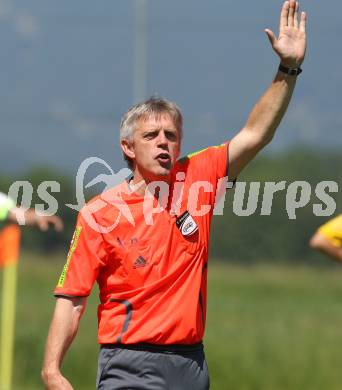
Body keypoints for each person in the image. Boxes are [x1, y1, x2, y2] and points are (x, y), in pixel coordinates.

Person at [42, 1, 307, 389]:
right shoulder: (100, 214)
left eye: (171, 135)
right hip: (129, 361)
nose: (163, 143)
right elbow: (72, 297)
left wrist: (289, 69)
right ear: (128, 148)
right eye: (151, 136)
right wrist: (52, 369)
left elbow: (256, 134)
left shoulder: (197, 177)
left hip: (191, 364)